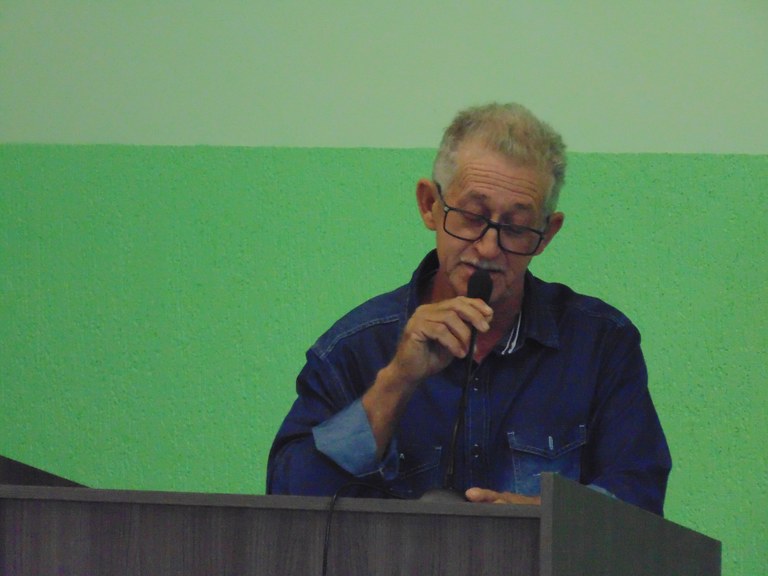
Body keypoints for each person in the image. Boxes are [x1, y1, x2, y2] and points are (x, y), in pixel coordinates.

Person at [267, 103, 672, 515]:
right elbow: (287, 500)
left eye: (515, 227)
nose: (489, 248)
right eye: (472, 217)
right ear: (430, 204)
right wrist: (396, 380)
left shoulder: (599, 346)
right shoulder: (355, 348)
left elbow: (640, 501)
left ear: (546, 235)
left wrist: (541, 517)